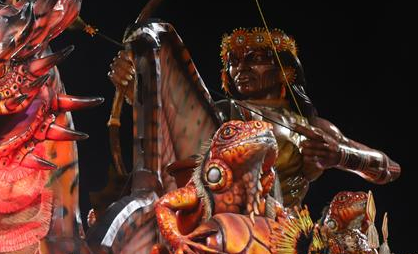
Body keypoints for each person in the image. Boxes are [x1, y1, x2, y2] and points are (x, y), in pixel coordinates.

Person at [109, 27, 400, 206]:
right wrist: (141, 92)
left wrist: (340, 155)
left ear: (286, 71)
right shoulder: (223, 113)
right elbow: (175, 139)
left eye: (256, 59)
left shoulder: (310, 126)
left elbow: (389, 168)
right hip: (220, 218)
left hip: (283, 234)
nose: (241, 68)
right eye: (234, 62)